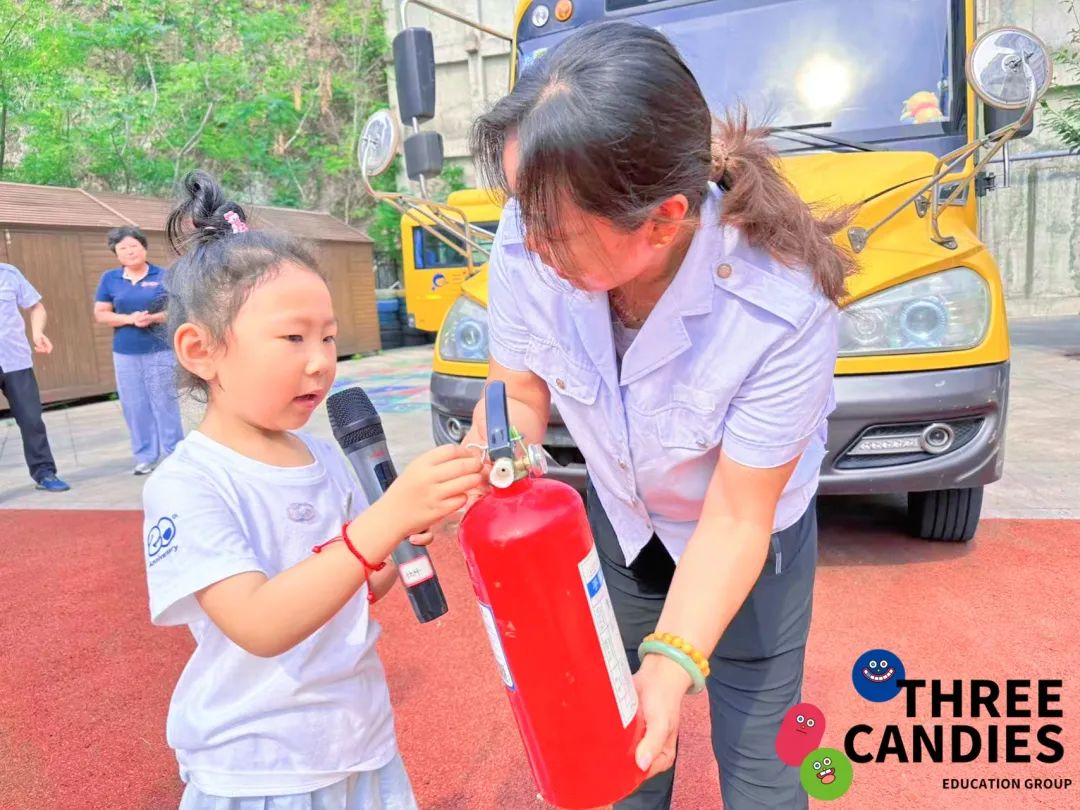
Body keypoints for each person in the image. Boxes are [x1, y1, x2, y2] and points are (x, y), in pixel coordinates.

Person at [460, 21, 855, 809]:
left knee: (760, 759)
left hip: (751, 540)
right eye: (521, 211)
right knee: (617, 748)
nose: (528, 242)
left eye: (555, 231)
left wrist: (674, 659)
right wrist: (495, 464)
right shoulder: (527, 230)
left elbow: (740, 517)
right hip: (626, 521)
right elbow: (520, 389)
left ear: (663, 220)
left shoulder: (781, 309)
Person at [141, 171, 482, 809]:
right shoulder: (189, 484)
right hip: (261, 769)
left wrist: (403, 531)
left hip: (360, 743)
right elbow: (261, 623)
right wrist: (379, 527)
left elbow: (361, 584)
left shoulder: (326, 458)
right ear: (201, 350)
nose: (321, 359)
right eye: (293, 338)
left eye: (327, 336)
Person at [94, 226, 185, 475]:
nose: (129, 251)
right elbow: (101, 314)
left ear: (144, 247)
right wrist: (129, 319)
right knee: (134, 405)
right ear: (116, 254)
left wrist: (153, 317)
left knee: (165, 402)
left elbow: (177, 311)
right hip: (125, 352)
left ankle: (174, 453)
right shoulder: (109, 279)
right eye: (123, 248)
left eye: (133, 245)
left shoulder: (164, 275)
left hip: (159, 349)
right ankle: (145, 456)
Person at [0, 261, 70, 492]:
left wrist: (38, 333)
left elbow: (36, 307)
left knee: (32, 420)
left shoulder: (9, 273)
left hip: (15, 360)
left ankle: (45, 473)